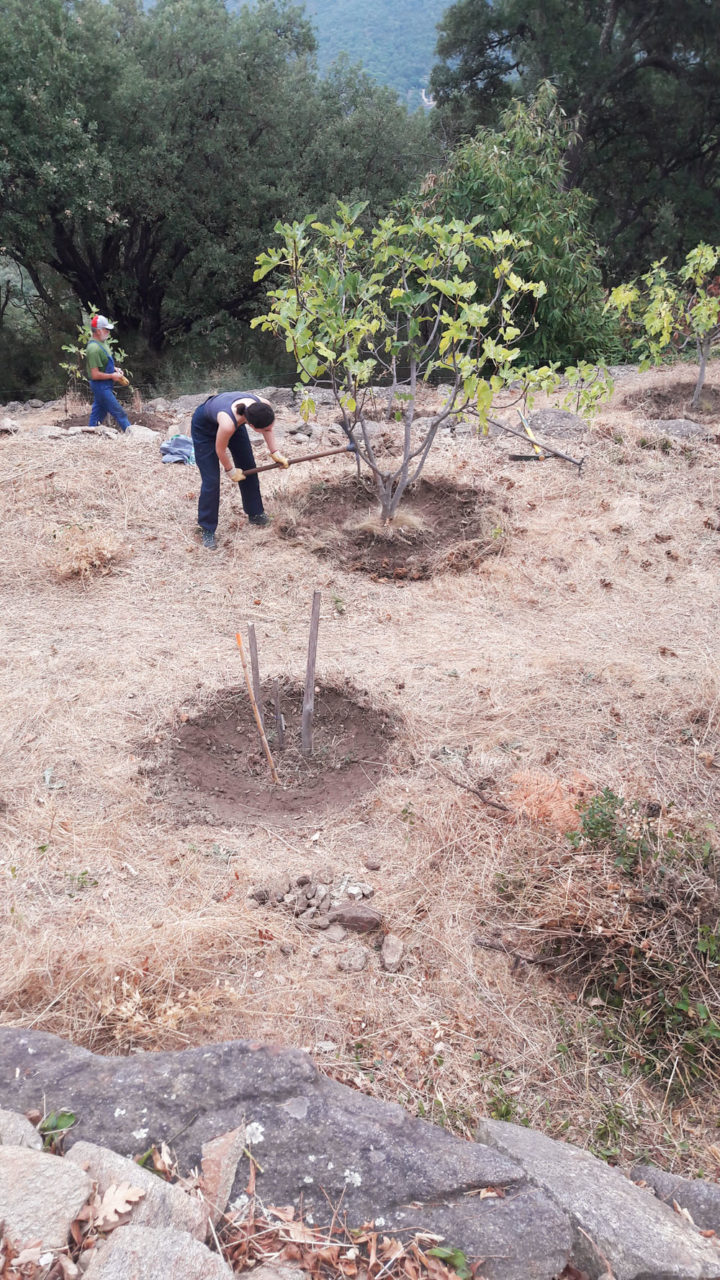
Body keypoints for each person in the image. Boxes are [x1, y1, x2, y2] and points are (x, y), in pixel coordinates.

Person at [190, 392, 289, 549]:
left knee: (249, 466)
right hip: (205, 427)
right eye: (263, 429)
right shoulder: (229, 423)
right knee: (211, 480)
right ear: (251, 426)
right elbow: (220, 450)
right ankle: (207, 528)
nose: (268, 429)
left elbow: (268, 429)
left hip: (232, 422)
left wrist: (275, 453)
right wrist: (230, 470)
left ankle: (255, 513)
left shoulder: (264, 406)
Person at [85, 314, 131, 432]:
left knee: (97, 415)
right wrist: (112, 376)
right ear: (99, 331)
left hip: (105, 385)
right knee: (120, 413)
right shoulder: (93, 349)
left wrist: (114, 369)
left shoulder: (102, 343)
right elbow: (94, 374)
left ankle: (90, 434)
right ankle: (133, 435)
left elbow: (103, 364)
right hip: (101, 387)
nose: (109, 332)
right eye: (106, 329)